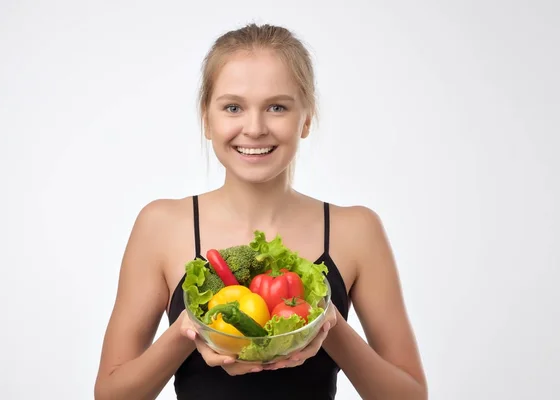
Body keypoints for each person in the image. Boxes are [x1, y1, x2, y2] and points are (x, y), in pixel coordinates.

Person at [94, 23, 427, 400]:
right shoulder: (161, 225)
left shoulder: (357, 231)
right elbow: (111, 394)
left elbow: (411, 395)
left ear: (305, 119)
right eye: (233, 107)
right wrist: (191, 330)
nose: (254, 128)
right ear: (207, 118)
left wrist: (327, 324)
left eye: (277, 107)